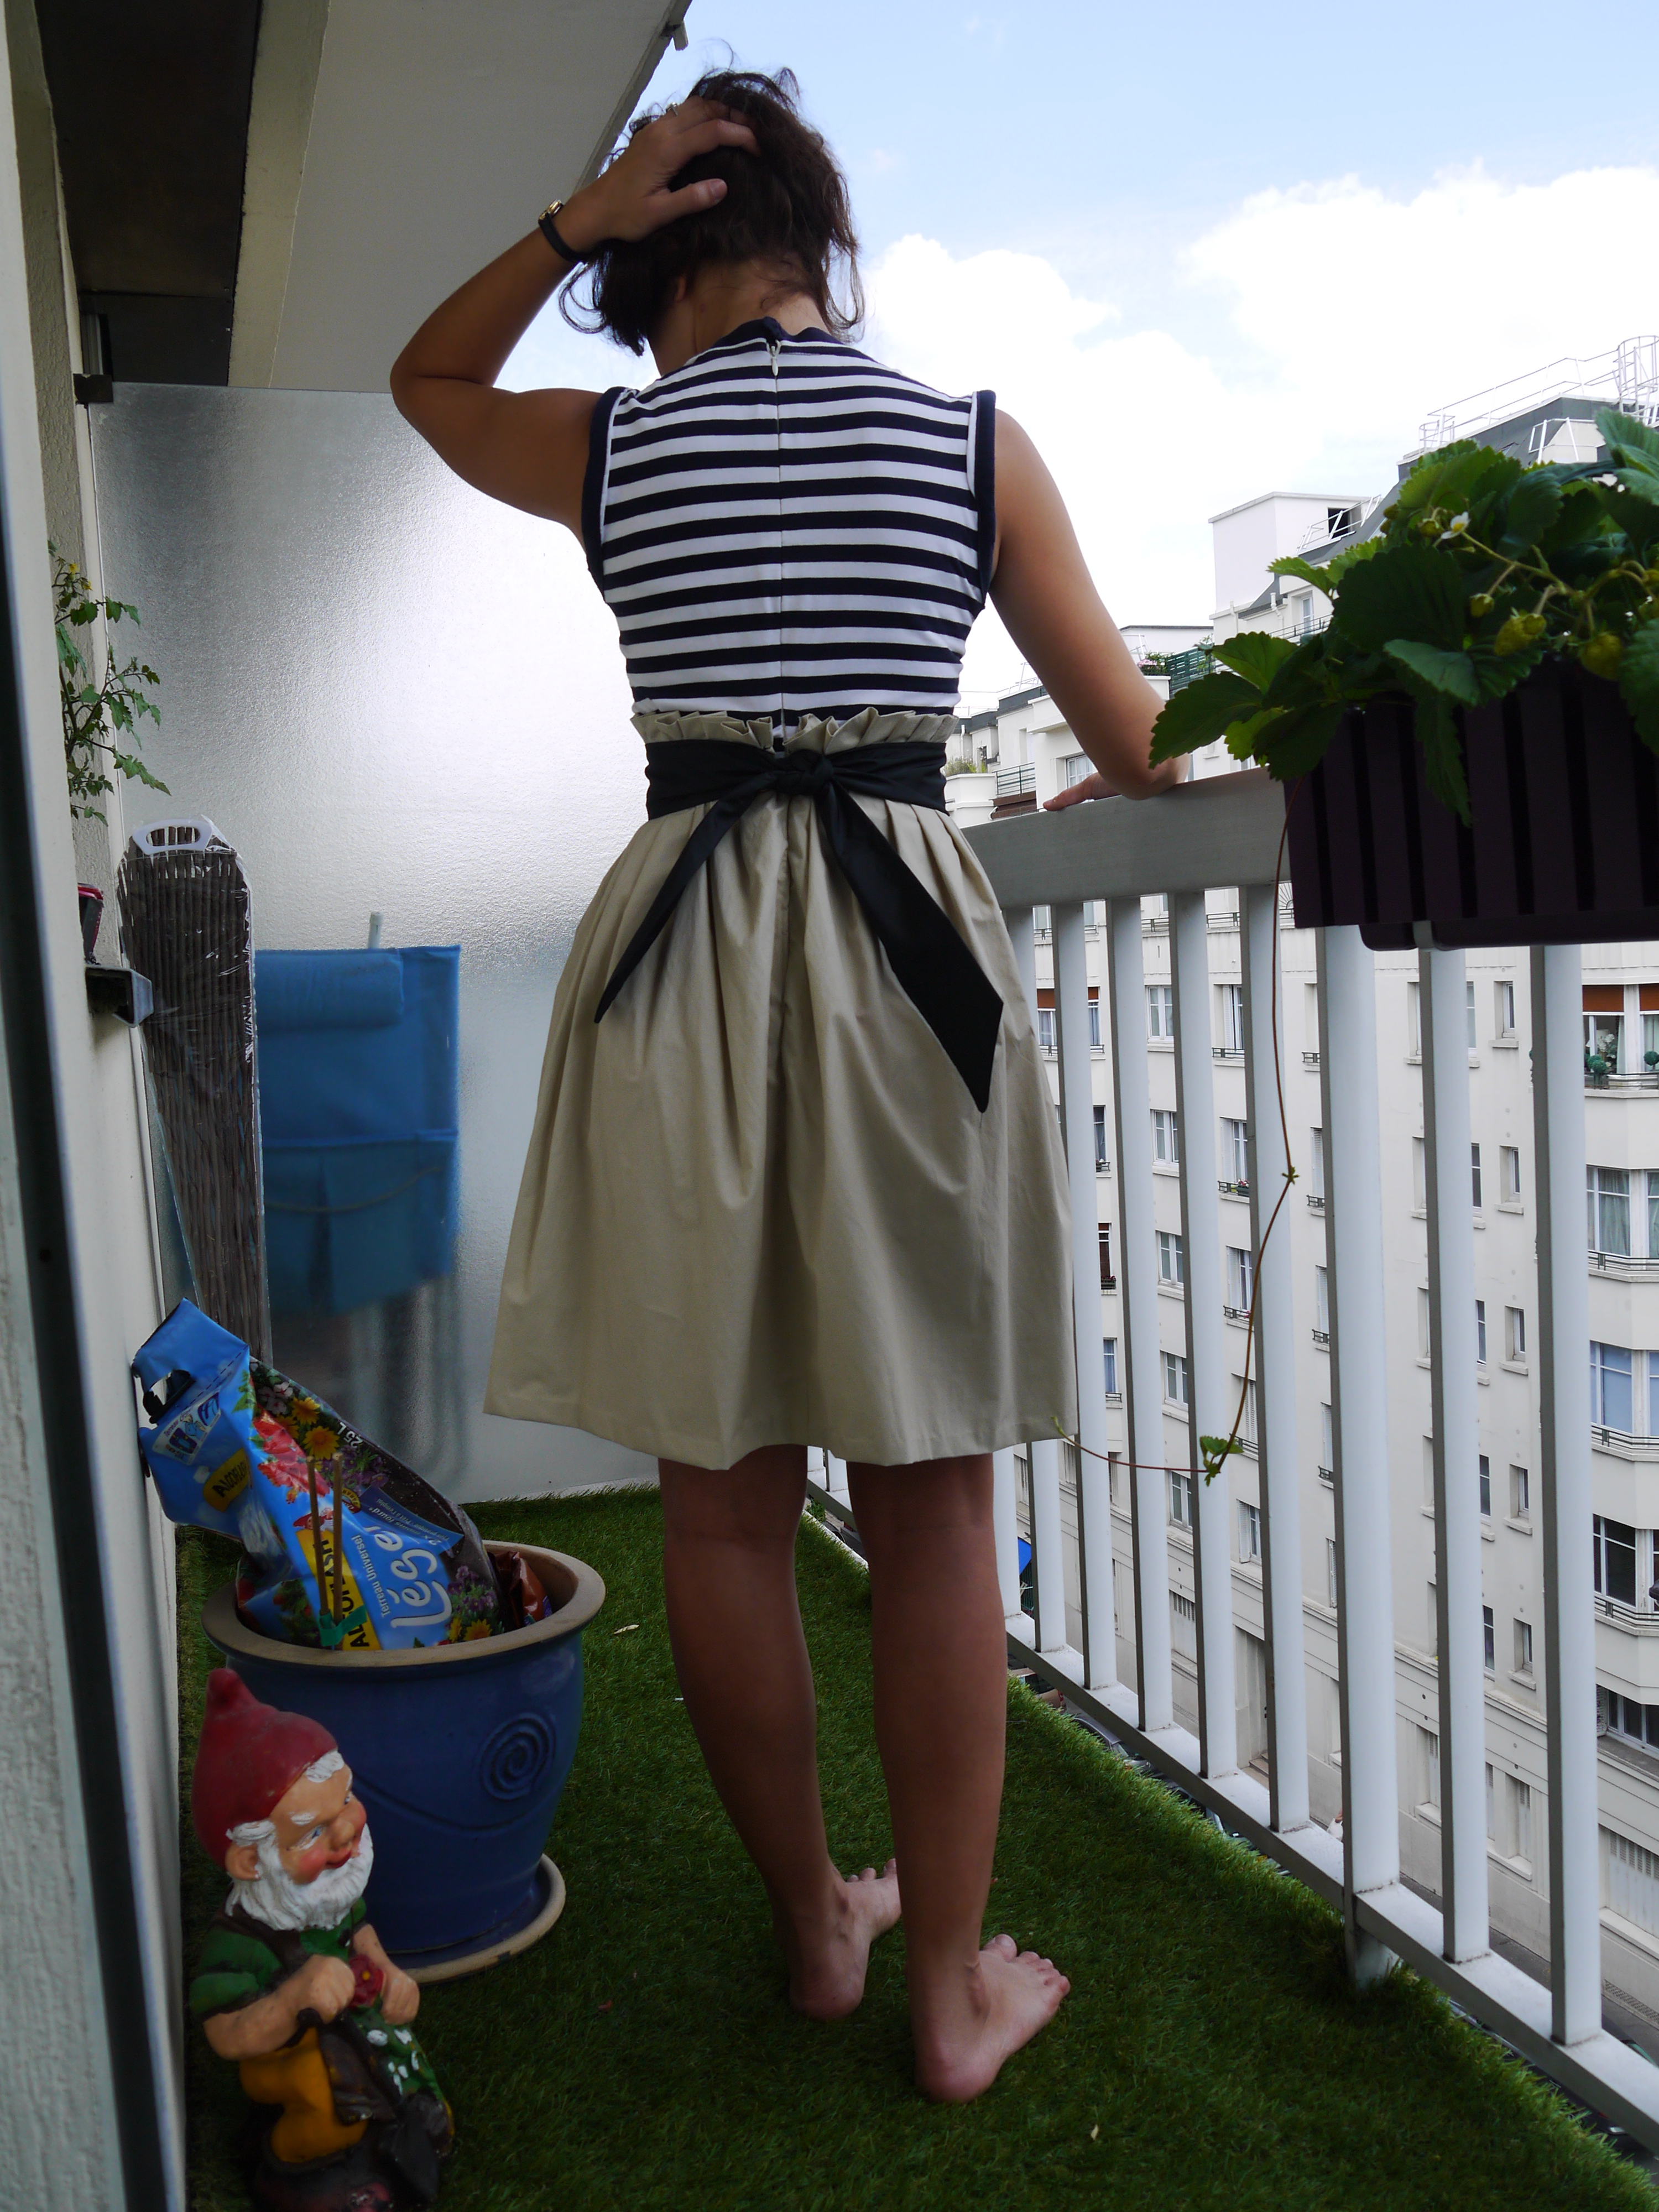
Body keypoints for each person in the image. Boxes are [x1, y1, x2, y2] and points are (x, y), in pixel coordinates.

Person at [391, 69, 1182, 2102]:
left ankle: (821, 1930)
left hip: (678, 954)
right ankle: (948, 1996)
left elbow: (423, 380)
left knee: (722, 1504)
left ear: (648, 263)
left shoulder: (612, 446)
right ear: (819, 238)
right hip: (904, 961)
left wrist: (570, 216)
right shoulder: (968, 442)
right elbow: (1142, 743)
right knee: (932, 1497)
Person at [189, 1670, 451, 2208]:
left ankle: (403, 2128)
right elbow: (225, 2034)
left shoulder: (324, 1895)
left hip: (354, 2025)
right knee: (328, 2103)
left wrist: (390, 1974)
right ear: (251, 1860)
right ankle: (292, 2166)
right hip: (283, 2055)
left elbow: (358, 1930)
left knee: (410, 2083)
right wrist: (291, 2000)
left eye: (347, 1798)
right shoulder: (241, 1940)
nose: (346, 1830)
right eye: (312, 1830)